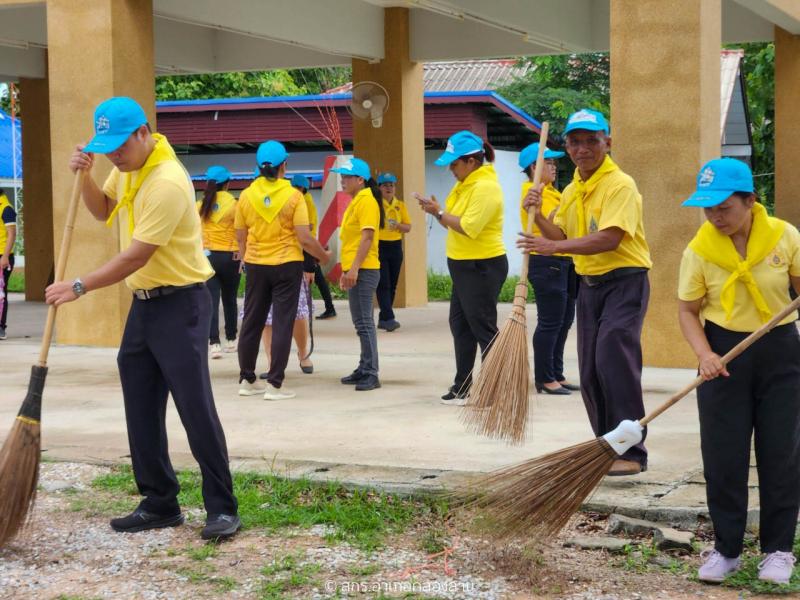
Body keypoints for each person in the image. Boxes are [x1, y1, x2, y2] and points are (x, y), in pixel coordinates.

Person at [47, 96, 240, 540]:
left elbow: (136, 255)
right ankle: (160, 502)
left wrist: (78, 286)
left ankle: (222, 507)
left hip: (183, 304)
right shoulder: (128, 166)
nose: (115, 153)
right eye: (107, 146)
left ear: (143, 132)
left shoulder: (168, 181)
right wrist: (87, 175)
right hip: (145, 305)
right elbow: (102, 210)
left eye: (121, 144)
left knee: (195, 407)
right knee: (140, 403)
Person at [677, 158, 800, 585]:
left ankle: (779, 551)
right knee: (723, 455)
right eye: (707, 207)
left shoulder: (785, 237)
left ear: (749, 200)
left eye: (723, 207)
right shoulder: (700, 248)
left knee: (781, 452)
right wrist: (705, 354)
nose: (715, 216)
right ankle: (726, 549)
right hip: (722, 357)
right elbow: (688, 311)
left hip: (781, 352)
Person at [518, 109, 652, 476]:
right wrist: (540, 214)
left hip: (625, 281)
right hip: (590, 286)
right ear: (567, 147)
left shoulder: (619, 184)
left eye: (591, 140)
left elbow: (610, 238)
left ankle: (633, 451)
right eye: (575, 142)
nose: (583, 149)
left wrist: (553, 248)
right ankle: (607, 448)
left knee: (614, 358)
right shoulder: (574, 188)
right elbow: (561, 234)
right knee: (591, 368)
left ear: (607, 143)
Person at [417, 130, 508, 406]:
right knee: (460, 325)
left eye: (455, 163)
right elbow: (452, 220)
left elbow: (468, 227)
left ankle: (495, 389)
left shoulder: (485, 188)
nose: (451, 169)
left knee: (482, 327)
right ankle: (462, 386)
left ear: (471, 161)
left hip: (481, 265)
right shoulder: (466, 184)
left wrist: (439, 212)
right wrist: (437, 211)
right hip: (463, 266)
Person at [235, 140, 330, 400]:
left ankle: (247, 379)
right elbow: (305, 238)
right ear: (283, 166)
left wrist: (246, 260)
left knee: (252, 322)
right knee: (282, 322)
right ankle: (275, 384)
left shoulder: (245, 196)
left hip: (255, 265)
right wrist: (323, 256)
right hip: (286, 265)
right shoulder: (294, 196)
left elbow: (240, 236)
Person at [518, 142, 578, 395]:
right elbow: (553, 222)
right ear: (535, 166)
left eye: (554, 162)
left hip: (565, 259)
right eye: (549, 162)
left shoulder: (554, 191)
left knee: (564, 320)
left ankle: (556, 373)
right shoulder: (531, 191)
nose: (554, 167)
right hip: (546, 261)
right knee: (551, 321)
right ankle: (544, 377)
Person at [331, 157, 383, 391]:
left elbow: (368, 237)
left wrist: (353, 269)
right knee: (360, 322)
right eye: (341, 177)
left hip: (364, 269)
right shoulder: (357, 200)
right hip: (356, 269)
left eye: (347, 177)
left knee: (364, 323)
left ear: (360, 180)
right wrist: (347, 269)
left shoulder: (366, 201)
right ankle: (364, 367)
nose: (342, 180)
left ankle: (371, 372)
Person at [197, 165, 240, 359]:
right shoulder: (234, 204)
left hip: (208, 257)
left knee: (211, 301)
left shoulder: (200, 205)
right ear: (228, 184)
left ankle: (214, 343)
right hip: (231, 257)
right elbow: (241, 231)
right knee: (230, 299)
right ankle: (232, 339)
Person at [290, 174, 337, 320]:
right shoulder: (302, 199)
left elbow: (308, 224)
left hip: (306, 245)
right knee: (317, 278)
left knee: (312, 277)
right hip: (304, 244)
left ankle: (311, 310)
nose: (294, 189)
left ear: (302, 188)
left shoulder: (306, 201)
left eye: (296, 187)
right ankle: (329, 308)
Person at [376, 172, 412, 332]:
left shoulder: (400, 205)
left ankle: (384, 316)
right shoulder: (376, 205)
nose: (389, 188)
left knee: (393, 285)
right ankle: (389, 318)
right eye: (385, 185)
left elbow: (408, 227)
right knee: (383, 283)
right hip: (380, 246)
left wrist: (397, 225)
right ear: (379, 188)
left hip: (396, 246)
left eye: (391, 185)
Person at [0, 188, 17, 340]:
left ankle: (1, 327)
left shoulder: (6, 208)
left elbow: (12, 234)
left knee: (0, 294)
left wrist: (5, 257)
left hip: (3, 257)